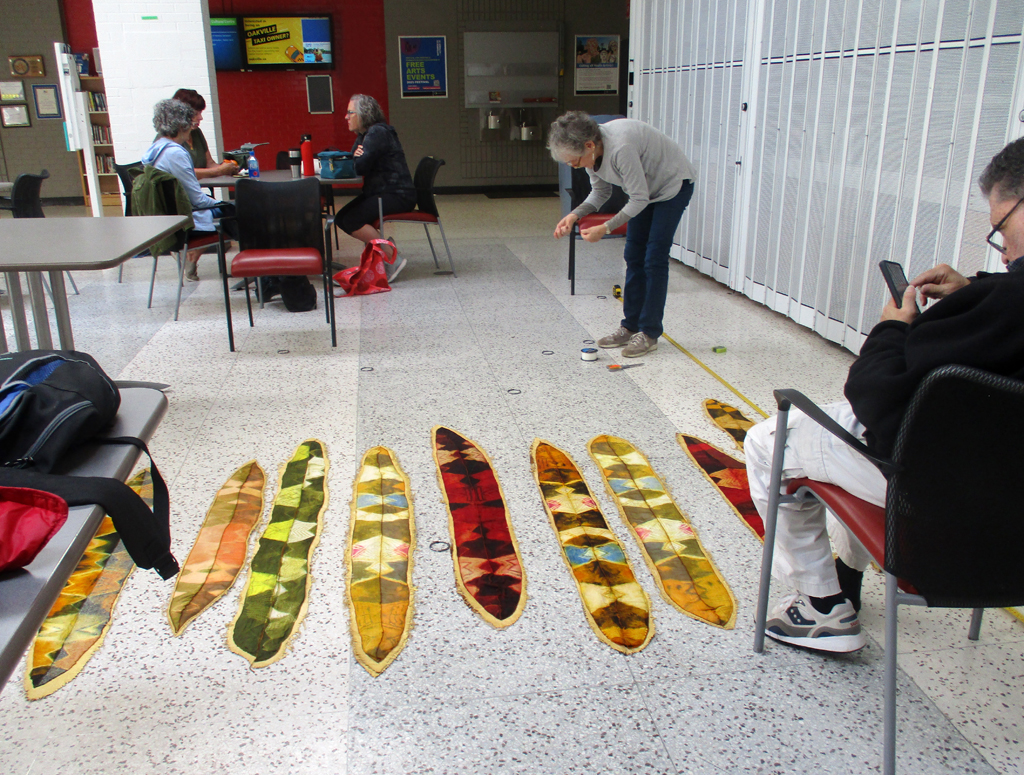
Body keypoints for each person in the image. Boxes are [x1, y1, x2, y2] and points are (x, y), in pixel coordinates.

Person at [746, 136, 1024, 653]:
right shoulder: (996, 303)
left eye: (1000, 228)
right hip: (1013, 523)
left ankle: (822, 608)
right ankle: (848, 574)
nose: (1002, 249)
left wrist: (893, 328)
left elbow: (878, 400)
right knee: (838, 435)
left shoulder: (1002, 305)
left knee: (774, 439)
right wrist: (975, 293)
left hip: (943, 509)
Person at [549, 111, 697, 357]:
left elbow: (638, 198)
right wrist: (575, 215)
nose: (573, 166)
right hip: (644, 193)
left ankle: (649, 333)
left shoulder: (620, 149)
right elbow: (600, 193)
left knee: (654, 258)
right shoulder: (591, 152)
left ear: (589, 145)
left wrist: (606, 228)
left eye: (574, 161)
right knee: (633, 256)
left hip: (672, 187)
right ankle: (630, 326)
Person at [141, 99, 235, 281]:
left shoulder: (155, 150)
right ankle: (262, 273)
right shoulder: (175, 153)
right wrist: (224, 203)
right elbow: (198, 201)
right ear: (182, 124)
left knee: (234, 209)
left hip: (169, 218)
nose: (193, 125)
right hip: (186, 219)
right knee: (245, 212)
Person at [336, 94, 416, 282]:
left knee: (351, 220)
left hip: (396, 195)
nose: (346, 117)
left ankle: (390, 257)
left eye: (350, 112)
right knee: (342, 218)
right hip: (382, 192)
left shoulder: (377, 133)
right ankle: (384, 251)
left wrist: (357, 157)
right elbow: (353, 160)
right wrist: (356, 157)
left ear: (363, 114)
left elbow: (360, 166)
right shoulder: (365, 134)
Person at [170, 89, 238, 180]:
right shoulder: (168, 136)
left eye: (200, 113)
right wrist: (220, 170)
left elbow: (209, 164)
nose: (200, 118)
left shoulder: (196, 132)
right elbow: (184, 172)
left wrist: (228, 168)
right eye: (195, 114)